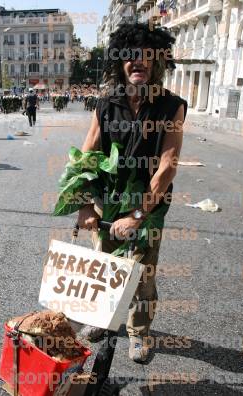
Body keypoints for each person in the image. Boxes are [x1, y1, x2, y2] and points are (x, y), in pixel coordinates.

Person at [75, 23, 186, 364]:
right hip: (108, 204)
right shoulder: (106, 104)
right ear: (119, 62)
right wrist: (83, 206)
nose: (138, 62)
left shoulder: (171, 106)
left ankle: (139, 333)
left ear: (157, 63)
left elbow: (168, 165)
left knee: (141, 274)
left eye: (146, 56)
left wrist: (137, 216)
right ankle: (102, 320)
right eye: (130, 56)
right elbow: (87, 154)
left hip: (147, 207)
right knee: (105, 268)